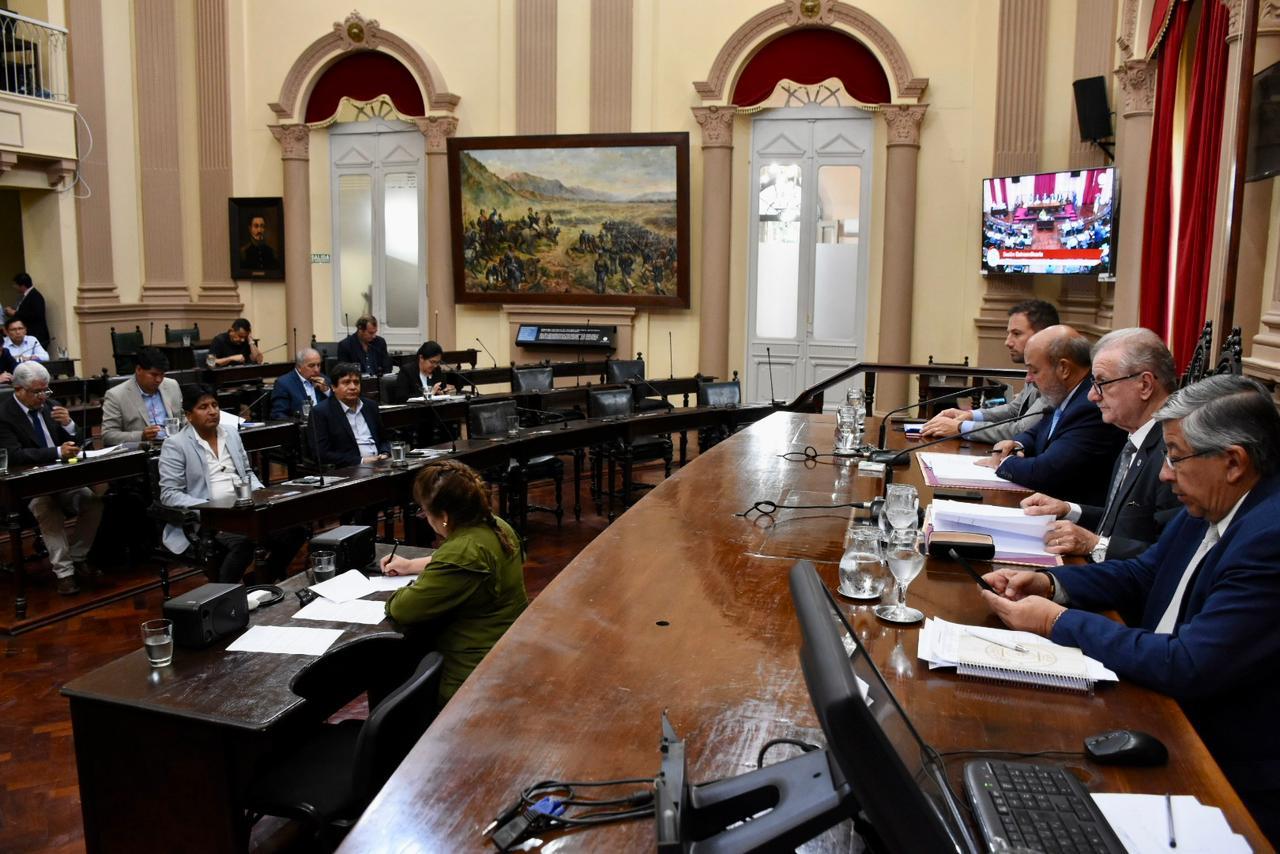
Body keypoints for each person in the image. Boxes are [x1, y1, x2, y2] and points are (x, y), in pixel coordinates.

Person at [980, 375, 1280, 844]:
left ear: (1233, 462)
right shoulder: (1211, 502)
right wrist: (1050, 583)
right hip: (1154, 704)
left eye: (1175, 456)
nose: (1164, 474)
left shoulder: (1269, 538)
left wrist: (1056, 621)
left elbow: (1188, 663)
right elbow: (1142, 575)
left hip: (1219, 769)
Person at [1020, 328, 1181, 562]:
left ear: (1145, 385)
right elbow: (1124, 523)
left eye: (1102, 382)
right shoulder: (1136, 438)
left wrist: (1095, 544)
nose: (1092, 396)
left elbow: (1172, 556)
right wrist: (1069, 510)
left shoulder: (1174, 453)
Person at [382, 460, 528, 703]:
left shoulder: (464, 552)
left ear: (445, 516)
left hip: (472, 677)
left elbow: (402, 610)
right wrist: (411, 566)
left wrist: (409, 587)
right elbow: (460, 559)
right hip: (507, 653)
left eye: (425, 511)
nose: (425, 518)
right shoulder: (494, 524)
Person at [158, 383, 305, 583]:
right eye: (203, 407)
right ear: (189, 415)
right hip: (211, 518)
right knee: (245, 542)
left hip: (245, 508)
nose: (212, 411)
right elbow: (169, 494)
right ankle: (224, 593)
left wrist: (262, 495)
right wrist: (209, 508)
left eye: (215, 405)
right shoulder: (176, 444)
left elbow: (247, 473)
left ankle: (260, 582)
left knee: (295, 530)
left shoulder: (231, 433)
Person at [978, 324, 1125, 505]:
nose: (1028, 379)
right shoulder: (1065, 393)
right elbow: (1039, 431)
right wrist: (1016, 444)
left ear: (1064, 368)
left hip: (1075, 515)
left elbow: (1045, 473)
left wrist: (1003, 462)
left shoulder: (1090, 405)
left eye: (1034, 370)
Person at [0, 362, 102, 595]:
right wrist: (56, 451)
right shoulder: (4, 415)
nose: (43, 397)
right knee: (47, 508)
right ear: (18, 389)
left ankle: (77, 557)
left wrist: (69, 424)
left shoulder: (52, 406)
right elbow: (14, 455)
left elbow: (80, 442)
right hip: (26, 488)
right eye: (37, 392)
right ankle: (65, 574)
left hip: (62, 480)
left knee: (93, 502)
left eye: (46, 390)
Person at [921, 299, 1059, 442]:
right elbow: (1013, 410)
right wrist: (970, 415)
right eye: (1009, 334)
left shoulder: (1054, 376)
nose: (1007, 342)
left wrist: (961, 427)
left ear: (1042, 335)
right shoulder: (1034, 369)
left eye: (1016, 334)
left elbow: (1020, 430)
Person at [310, 362, 389, 467]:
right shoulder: (321, 412)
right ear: (333, 387)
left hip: (380, 465)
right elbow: (321, 454)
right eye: (346, 382)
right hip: (351, 469)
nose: (353, 387)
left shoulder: (370, 406)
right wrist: (361, 461)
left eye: (356, 382)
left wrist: (385, 453)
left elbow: (384, 440)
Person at [101, 347, 182, 445]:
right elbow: (108, 435)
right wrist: (141, 436)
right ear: (138, 370)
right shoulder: (116, 396)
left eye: (162, 374)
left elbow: (182, 419)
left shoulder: (172, 386)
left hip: (174, 445)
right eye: (154, 374)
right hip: (143, 450)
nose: (159, 380)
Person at [270, 348, 331, 419]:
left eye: (318, 365)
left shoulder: (325, 380)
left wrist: (327, 391)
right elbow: (278, 414)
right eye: (311, 366)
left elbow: (338, 406)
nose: (316, 370)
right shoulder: (284, 383)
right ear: (299, 367)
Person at [392, 341, 458, 403]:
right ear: (421, 358)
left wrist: (445, 392)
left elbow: (441, 391)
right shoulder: (407, 371)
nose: (435, 365)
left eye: (437, 362)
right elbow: (401, 398)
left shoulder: (437, 371)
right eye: (432, 362)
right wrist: (430, 393)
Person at [5, 272, 50, 349]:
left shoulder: (35, 296)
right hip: (30, 335)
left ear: (22, 286)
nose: (14, 287)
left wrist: (15, 313)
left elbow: (36, 315)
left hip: (37, 336)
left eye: (15, 285)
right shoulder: (26, 296)